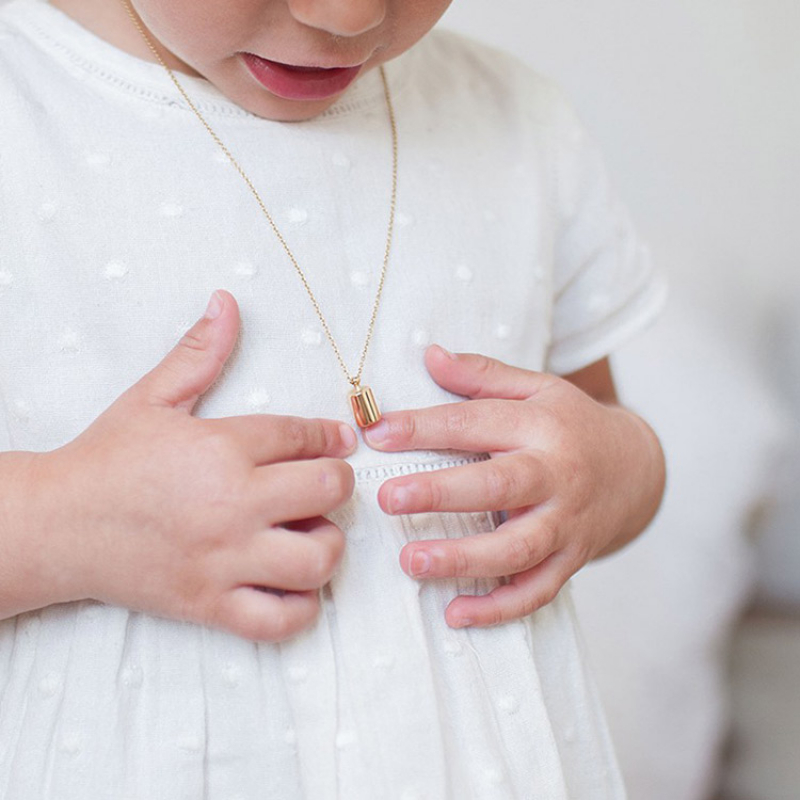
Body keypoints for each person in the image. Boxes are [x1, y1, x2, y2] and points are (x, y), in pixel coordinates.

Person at [0, 0, 667, 797]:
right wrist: (69, 522)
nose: (347, 16)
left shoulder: (516, 120)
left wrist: (612, 471)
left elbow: (607, 430)